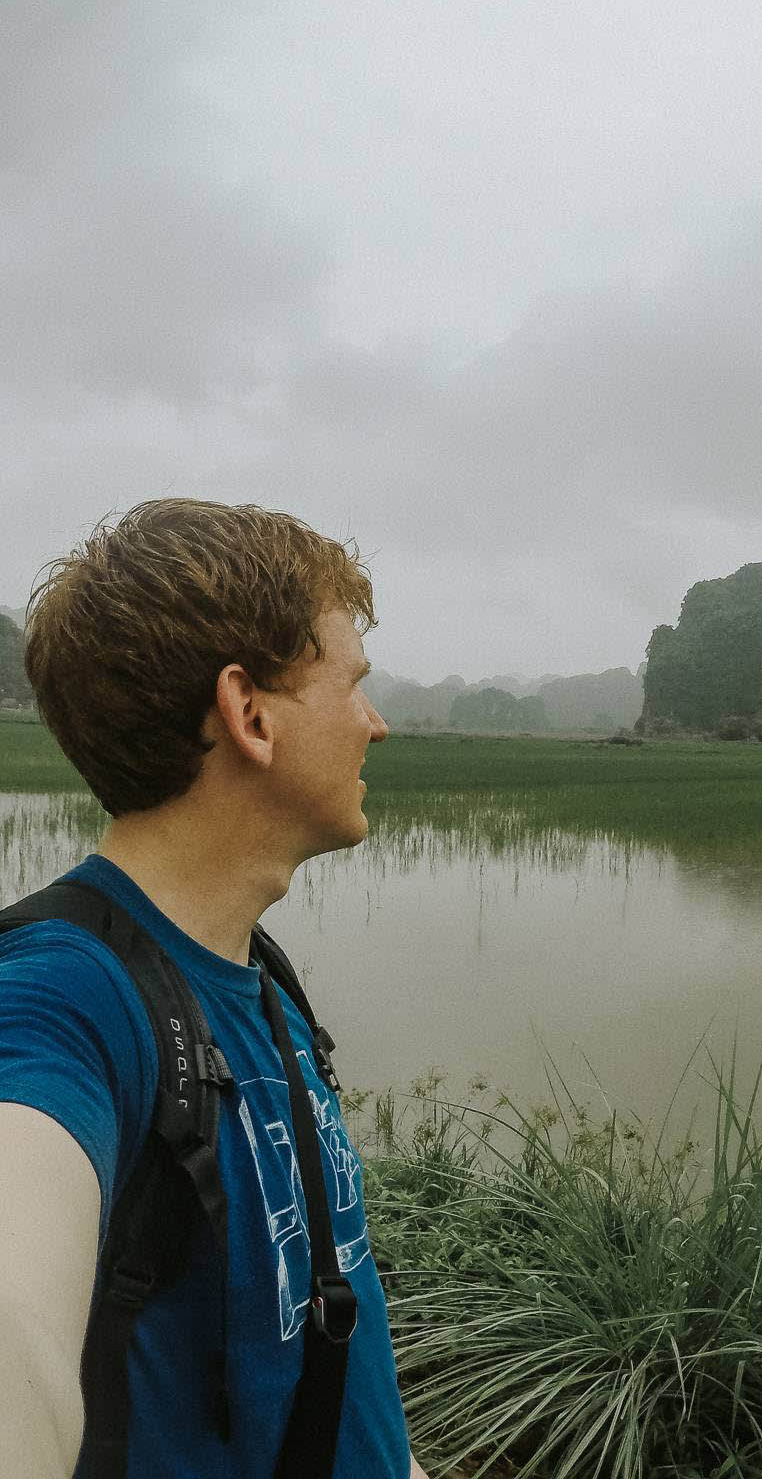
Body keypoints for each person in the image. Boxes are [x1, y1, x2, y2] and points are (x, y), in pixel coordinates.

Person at [0, 499, 429, 1478]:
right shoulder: (62, 1001)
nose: (377, 725)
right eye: (353, 684)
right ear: (250, 713)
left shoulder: (257, 974)